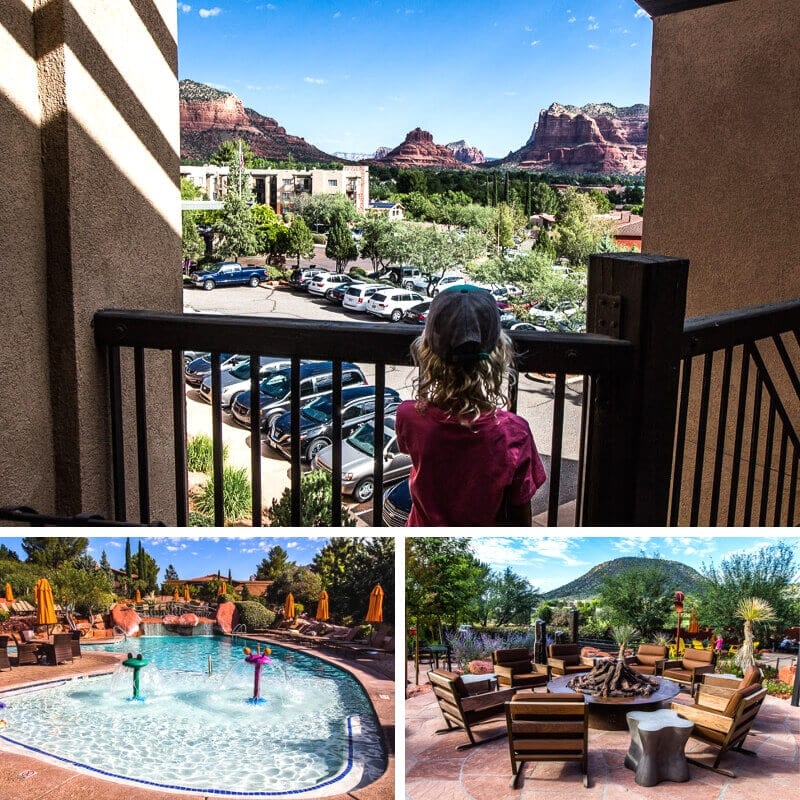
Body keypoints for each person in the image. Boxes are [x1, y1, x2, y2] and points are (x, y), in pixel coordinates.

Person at [396, 285, 546, 526]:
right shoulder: (515, 433)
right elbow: (520, 515)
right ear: (499, 351)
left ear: (426, 351)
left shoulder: (408, 416)